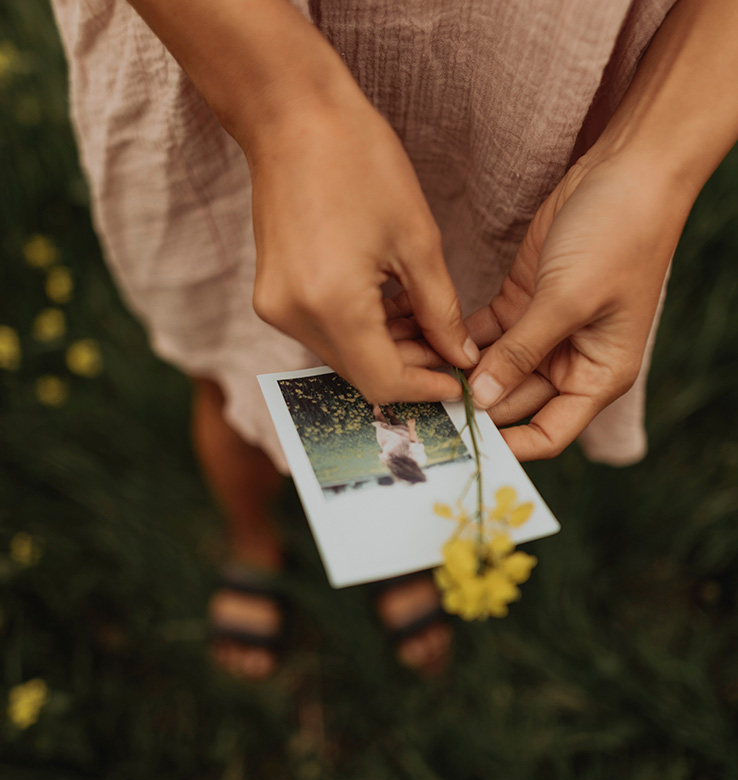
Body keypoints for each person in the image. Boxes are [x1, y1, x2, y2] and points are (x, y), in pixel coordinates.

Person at [48, 0, 738, 678]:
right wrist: (282, 108)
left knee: (419, 388)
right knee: (235, 378)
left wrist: (652, 162)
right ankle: (253, 539)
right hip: (219, 47)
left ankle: (392, 548)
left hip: (511, 109)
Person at [372, 406, 427, 486]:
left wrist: (411, 426)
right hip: (387, 437)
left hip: (402, 434)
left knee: (394, 419)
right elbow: (381, 453)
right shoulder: (393, 466)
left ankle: (389, 411)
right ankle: (375, 402)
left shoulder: (419, 460)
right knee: (378, 415)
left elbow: (413, 442)